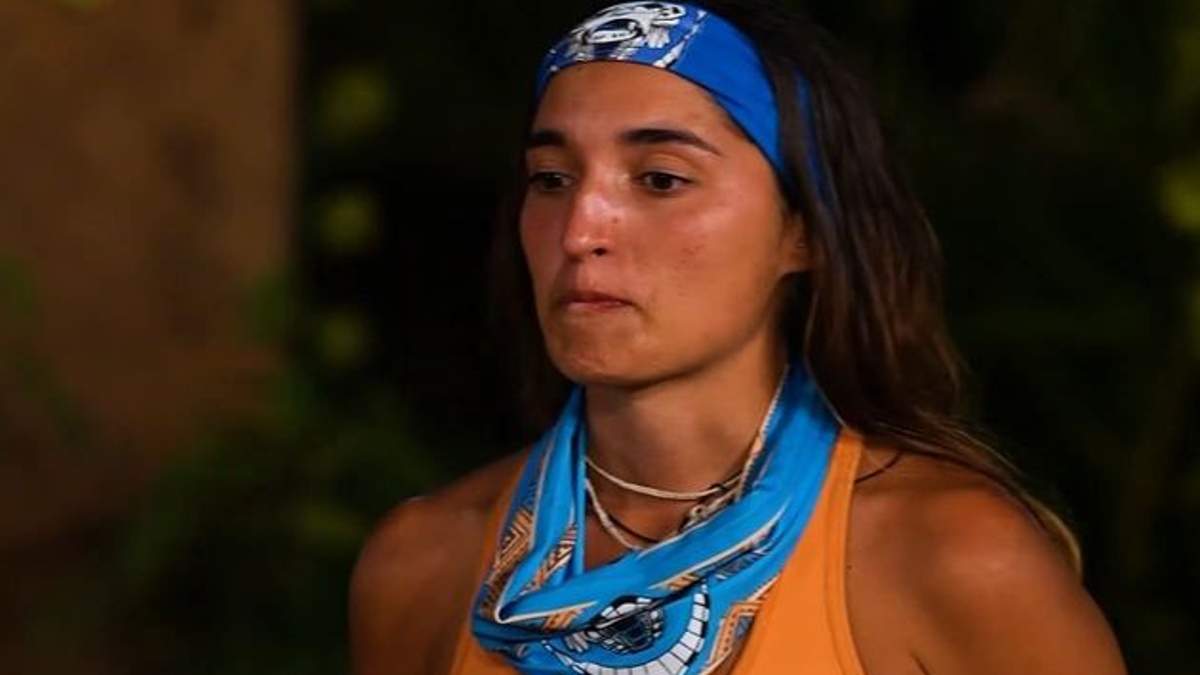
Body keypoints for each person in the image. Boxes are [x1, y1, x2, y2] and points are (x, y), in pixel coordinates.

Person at [349, 1, 1128, 673]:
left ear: (804, 230)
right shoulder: (423, 564)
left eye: (660, 179)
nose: (580, 231)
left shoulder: (953, 558)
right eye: (552, 179)